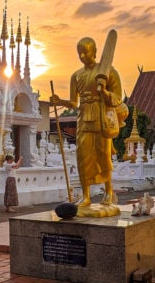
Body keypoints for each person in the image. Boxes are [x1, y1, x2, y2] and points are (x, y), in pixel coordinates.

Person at [50, 36, 127, 209]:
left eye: (86, 52)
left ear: (95, 51)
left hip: (101, 118)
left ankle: (108, 191)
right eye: (80, 53)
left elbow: (118, 98)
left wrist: (105, 92)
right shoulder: (76, 76)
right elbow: (73, 103)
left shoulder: (108, 72)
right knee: (83, 157)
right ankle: (85, 196)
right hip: (84, 119)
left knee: (103, 155)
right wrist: (59, 101)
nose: (83, 56)